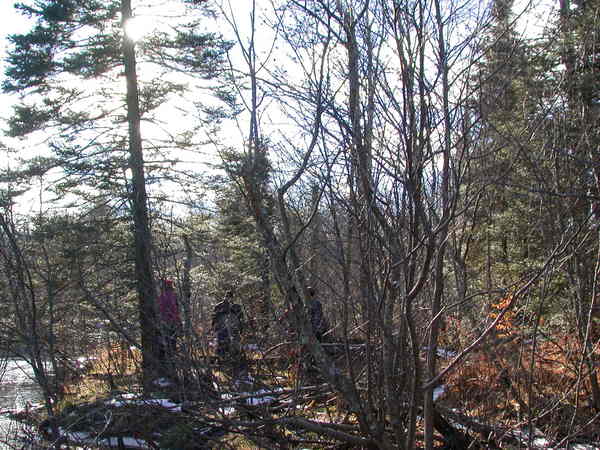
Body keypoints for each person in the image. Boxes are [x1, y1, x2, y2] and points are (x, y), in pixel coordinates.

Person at [156, 279, 181, 375]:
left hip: (165, 324)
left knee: (163, 346)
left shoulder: (162, 296)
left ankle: (164, 369)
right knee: (172, 346)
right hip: (172, 324)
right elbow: (176, 311)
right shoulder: (173, 296)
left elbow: (159, 309)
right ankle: (172, 369)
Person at [211, 291, 244, 359]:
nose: (228, 298)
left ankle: (235, 358)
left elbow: (241, 318)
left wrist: (241, 328)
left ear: (232, 298)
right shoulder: (219, 306)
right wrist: (214, 327)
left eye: (230, 297)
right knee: (222, 344)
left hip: (234, 328)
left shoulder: (237, 307)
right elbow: (214, 318)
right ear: (225, 297)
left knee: (235, 344)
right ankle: (221, 359)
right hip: (222, 328)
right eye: (227, 297)